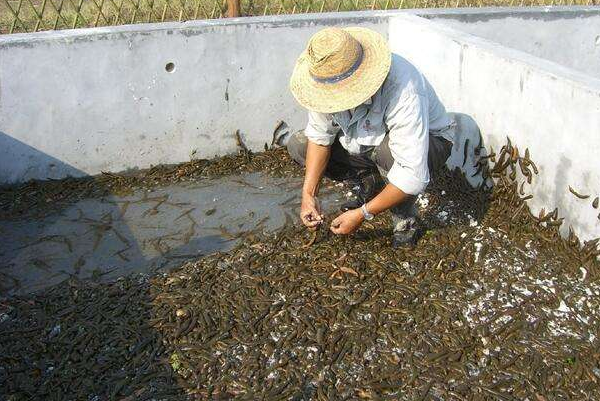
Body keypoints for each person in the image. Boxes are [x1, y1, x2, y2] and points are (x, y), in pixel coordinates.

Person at [287, 26, 457, 248]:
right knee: (299, 145)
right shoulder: (324, 81)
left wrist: (363, 214)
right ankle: (370, 181)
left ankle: (405, 219)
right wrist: (308, 195)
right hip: (364, 141)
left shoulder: (402, 86)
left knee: (388, 153)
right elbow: (320, 138)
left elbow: (412, 174)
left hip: (430, 142)